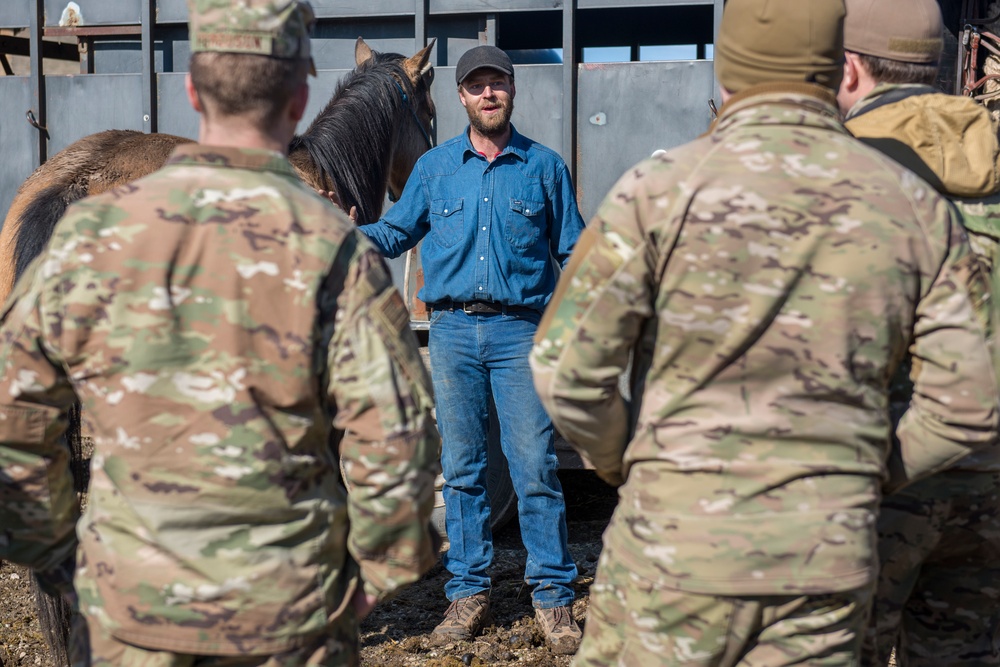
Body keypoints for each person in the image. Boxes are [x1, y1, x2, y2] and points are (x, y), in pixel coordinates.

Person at [530, 0, 1000, 664]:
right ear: (835, 70)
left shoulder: (658, 190)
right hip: (824, 559)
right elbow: (969, 402)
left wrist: (626, 460)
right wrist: (861, 473)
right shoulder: (912, 205)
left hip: (676, 543)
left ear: (727, 74)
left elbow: (565, 370)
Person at [0, 0, 441, 664]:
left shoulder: (95, 234)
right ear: (299, 98)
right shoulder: (337, 247)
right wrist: (368, 582)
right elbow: (401, 447)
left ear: (190, 89)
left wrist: (59, 563)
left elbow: (16, 414)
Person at [357, 44, 586, 654]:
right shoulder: (436, 169)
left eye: (498, 84)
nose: (489, 94)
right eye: (477, 86)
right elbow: (395, 230)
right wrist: (342, 227)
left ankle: (554, 598)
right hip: (454, 333)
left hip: (520, 334)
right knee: (461, 472)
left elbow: (575, 252)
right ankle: (468, 592)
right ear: (460, 96)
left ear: (512, 92)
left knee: (535, 468)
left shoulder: (544, 168)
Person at [837, 1, 1000, 664]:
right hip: (989, 482)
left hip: (879, 475)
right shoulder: (990, 151)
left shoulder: (835, 169)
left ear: (848, 70)